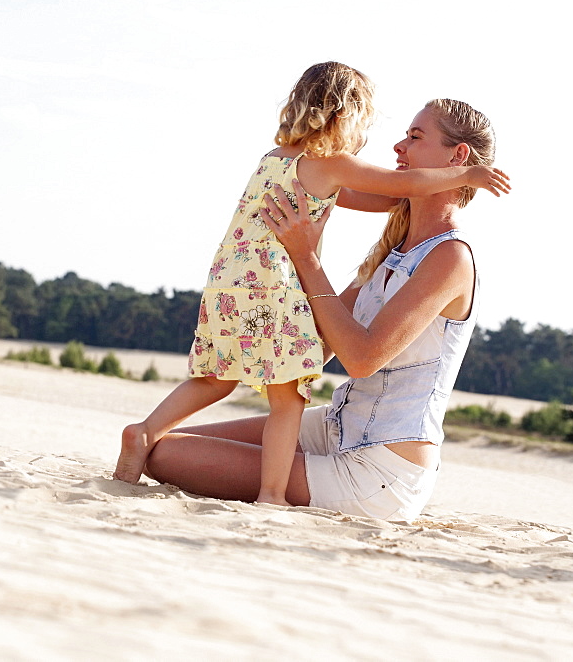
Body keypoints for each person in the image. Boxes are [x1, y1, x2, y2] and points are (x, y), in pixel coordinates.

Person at [115, 66, 508, 508]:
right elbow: (319, 344)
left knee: (171, 457)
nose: (397, 146)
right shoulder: (392, 251)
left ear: (457, 159)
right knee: (163, 447)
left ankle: (272, 493)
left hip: (380, 467)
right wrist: (259, 348)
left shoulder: (450, 257)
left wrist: (303, 257)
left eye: (415, 137)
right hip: (335, 427)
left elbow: (359, 358)